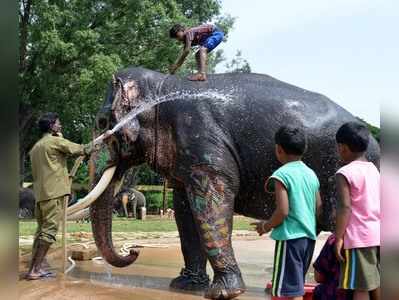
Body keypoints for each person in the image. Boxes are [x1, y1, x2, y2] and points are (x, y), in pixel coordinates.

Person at [26, 112, 111, 280]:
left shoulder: (36, 147)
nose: (61, 125)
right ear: (51, 126)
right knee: (49, 232)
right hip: (54, 193)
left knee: (41, 231)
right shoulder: (55, 141)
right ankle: (34, 270)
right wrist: (103, 137)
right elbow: (82, 149)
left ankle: (36, 267)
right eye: (58, 123)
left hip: (41, 195)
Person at [252, 126, 322, 300]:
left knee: (285, 291)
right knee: (295, 287)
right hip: (308, 239)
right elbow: (318, 206)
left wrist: (266, 225)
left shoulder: (282, 174)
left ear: (279, 149)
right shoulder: (311, 174)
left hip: (290, 239)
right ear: (303, 149)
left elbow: (282, 211)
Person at [334, 122, 380, 300]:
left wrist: (338, 237)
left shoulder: (345, 173)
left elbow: (344, 207)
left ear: (343, 147)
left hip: (359, 237)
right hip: (377, 234)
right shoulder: (373, 170)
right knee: (374, 282)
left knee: (360, 287)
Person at [313, 233, 353, 300]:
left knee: (320, 290)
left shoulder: (333, 239)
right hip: (360, 293)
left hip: (333, 294)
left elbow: (318, 277)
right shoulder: (372, 240)